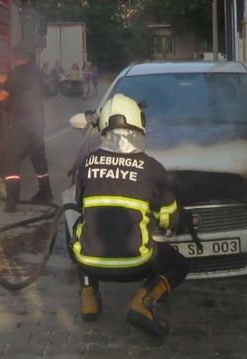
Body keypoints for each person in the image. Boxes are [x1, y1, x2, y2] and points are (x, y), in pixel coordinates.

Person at [69, 93, 189, 336]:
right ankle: (143, 302)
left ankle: (89, 299)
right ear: (139, 124)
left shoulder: (87, 163)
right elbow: (169, 218)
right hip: (137, 265)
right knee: (179, 265)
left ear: (103, 126)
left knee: (77, 234)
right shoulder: (151, 167)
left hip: (91, 263)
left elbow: (80, 204)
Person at [0, 44, 53, 212]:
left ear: (14, 58)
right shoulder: (35, 71)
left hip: (20, 124)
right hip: (37, 122)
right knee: (39, 158)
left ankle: (11, 201)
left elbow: (2, 95)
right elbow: (8, 79)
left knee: (12, 160)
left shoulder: (16, 73)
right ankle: (46, 193)